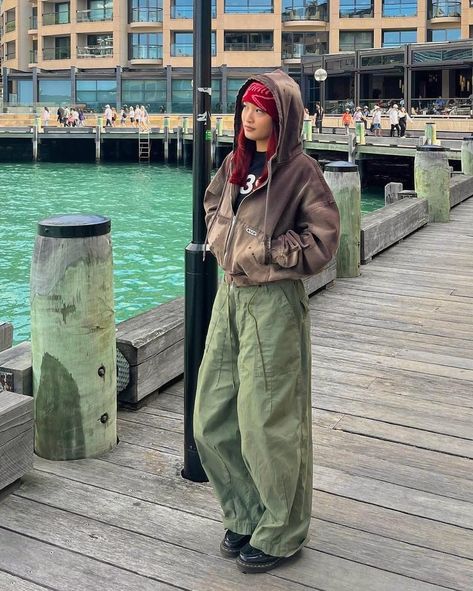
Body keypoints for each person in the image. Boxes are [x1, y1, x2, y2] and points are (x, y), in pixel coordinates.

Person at [194, 70, 340, 574]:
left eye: (259, 109)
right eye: (244, 108)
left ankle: (281, 529)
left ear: (281, 115)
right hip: (230, 299)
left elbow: (323, 238)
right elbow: (214, 204)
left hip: (274, 304)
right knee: (211, 415)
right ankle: (245, 511)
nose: (248, 116)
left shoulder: (301, 172)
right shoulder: (237, 161)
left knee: (269, 421)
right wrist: (222, 241)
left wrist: (267, 253)